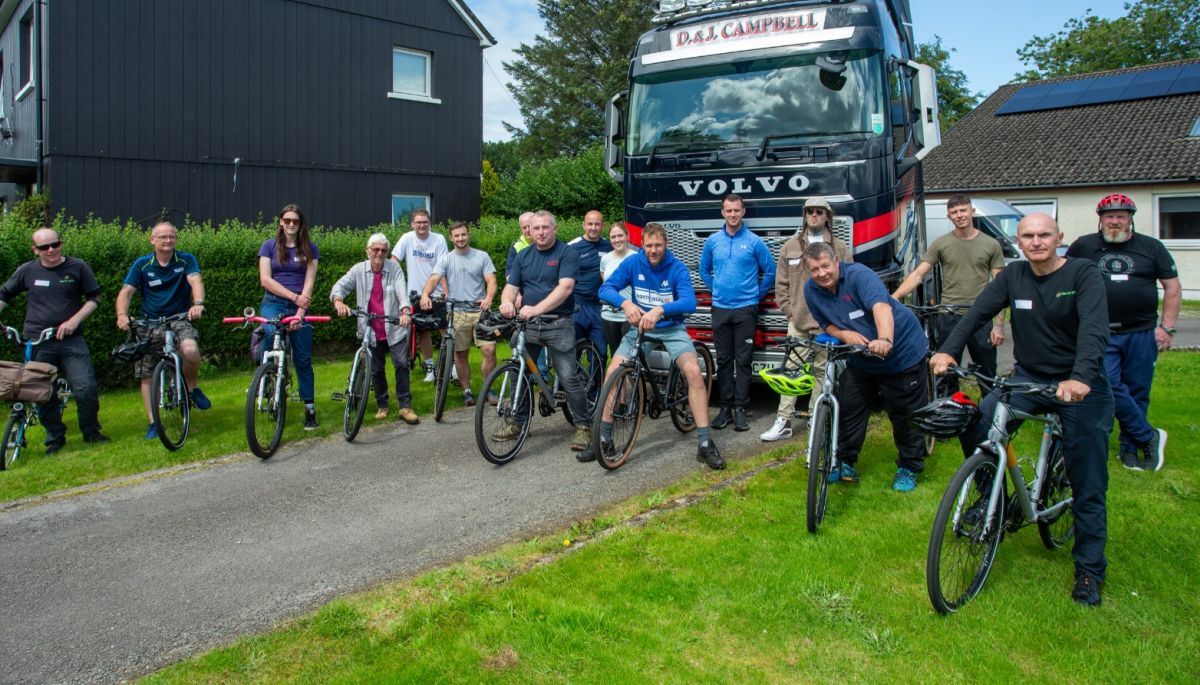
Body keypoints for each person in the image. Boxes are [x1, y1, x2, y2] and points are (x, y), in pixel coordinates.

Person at [932, 213, 1113, 606]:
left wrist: (1081, 377)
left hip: (1081, 386)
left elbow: (1095, 329)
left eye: (1044, 234)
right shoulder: (1013, 276)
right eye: (1028, 236)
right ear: (1018, 241)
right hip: (1029, 379)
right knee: (977, 421)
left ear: (1059, 237)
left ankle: (1088, 571)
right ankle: (990, 498)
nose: (1036, 242)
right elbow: (977, 313)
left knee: (1089, 481)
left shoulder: (1083, 275)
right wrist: (948, 350)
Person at [591, 223, 723, 468]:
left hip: (671, 329)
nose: (653, 250)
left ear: (666, 245)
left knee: (694, 372)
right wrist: (626, 304)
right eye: (649, 245)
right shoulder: (632, 263)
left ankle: (705, 443)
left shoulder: (677, 268)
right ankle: (604, 437)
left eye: (658, 245)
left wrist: (661, 310)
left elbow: (689, 303)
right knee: (613, 372)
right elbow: (605, 288)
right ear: (642, 244)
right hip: (640, 329)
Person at [803, 242, 930, 492]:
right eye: (815, 269)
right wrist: (844, 334)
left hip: (901, 353)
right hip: (861, 357)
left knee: (904, 412)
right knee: (850, 408)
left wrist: (884, 340)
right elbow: (824, 323)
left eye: (825, 266)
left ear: (836, 262)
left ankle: (909, 466)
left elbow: (881, 307)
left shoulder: (860, 276)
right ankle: (846, 462)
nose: (822, 273)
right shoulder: (811, 290)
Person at [1065, 194, 1179, 471]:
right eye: (1109, 216)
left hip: (1141, 332)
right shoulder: (1084, 246)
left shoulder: (1152, 247)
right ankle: (1147, 435)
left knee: (1138, 390)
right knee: (1109, 386)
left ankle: (1130, 448)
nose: (1115, 221)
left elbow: (1172, 287)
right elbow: (1065, 278)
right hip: (1099, 332)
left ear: (1130, 219)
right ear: (1100, 219)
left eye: (1121, 216)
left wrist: (1166, 327)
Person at [0, 228, 109, 452]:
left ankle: (91, 431)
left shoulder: (77, 267)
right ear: (35, 250)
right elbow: (4, 294)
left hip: (71, 340)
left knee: (85, 388)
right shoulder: (27, 271)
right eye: (44, 247)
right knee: (41, 391)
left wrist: (74, 321)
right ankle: (55, 437)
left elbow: (94, 297)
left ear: (61, 243)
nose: (51, 250)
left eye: (55, 244)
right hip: (38, 340)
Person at [761, 197, 852, 442]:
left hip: (829, 323)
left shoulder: (840, 248)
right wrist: (791, 313)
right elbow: (781, 285)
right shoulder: (790, 247)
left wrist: (840, 317)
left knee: (823, 373)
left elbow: (849, 284)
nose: (814, 215)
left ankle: (815, 418)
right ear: (804, 215)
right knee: (790, 371)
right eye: (810, 211)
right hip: (799, 322)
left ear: (827, 217)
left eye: (819, 211)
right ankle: (784, 421)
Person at [498, 210, 591, 452]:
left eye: (544, 228)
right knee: (519, 371)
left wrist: (536, 308)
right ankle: (518, 423)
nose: (539, 232)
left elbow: (566, 288)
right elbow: (511, 286)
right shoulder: (523, 256)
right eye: (535, 228)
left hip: (558, 322)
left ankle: (583, 426)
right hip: (529, 324)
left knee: (568, 376)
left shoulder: (566, 253)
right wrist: (506, 301)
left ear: (554, 229)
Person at [892, 194, 1005, 388]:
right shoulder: (941, 243)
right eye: (954, 212)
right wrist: (893, 298)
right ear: (949, 216)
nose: (959, 215)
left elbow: (1001, 286)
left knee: (986, 374)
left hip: (981, 316)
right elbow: (918, 274)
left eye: (963, 210)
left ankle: (990, 415)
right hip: (949, 315)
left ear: (972, 212)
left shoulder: (991, 244)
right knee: (945, 373)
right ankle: (948, 413)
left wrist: (999, 326)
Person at [116, 221, 210, 440]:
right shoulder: (142, 264)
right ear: (152, 240)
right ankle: (153, 422)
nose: (168, 241)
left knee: (190, 350)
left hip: (179, 319)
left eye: (172, 237)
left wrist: (198, 303)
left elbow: (195, 280)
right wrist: (122, 315)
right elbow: (127, 292)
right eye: (163, 237)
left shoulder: (186, 259)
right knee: (147, 372)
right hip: (149, 323)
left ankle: (191, 389)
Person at [699, 193, 775, 432]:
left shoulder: (754, 242)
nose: (733, 214)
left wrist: (754, 296)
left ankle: (740, 408)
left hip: (746, 309)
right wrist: (717, 290)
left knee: (743, 360)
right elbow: (704, 271)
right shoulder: (712, 241)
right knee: (723, 360)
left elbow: (770, 272)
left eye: (736, 210)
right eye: (728, 210)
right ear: (722, 213)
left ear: (743, 212)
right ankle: (725, 408)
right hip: (720, 308)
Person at [329, 233, 418, 424]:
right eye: (376, 250)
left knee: (402, 365)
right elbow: (340, 286)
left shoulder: (394, 268)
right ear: (368, 251)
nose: (379, 253)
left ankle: (405, 407)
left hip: (393, 326)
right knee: (376, 370)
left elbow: (402, 291)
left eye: (383, 250)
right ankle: (383, 405)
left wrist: (405, 311)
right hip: (370, 329)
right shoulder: (358, 270)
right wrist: (338, 301)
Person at [420, 221, 498, 406]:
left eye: (463, 235)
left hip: (480, 311)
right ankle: (467, 390)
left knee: (489, 350)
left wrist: (489, 297)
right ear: (451, 238)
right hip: (457, 313)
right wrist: (425, 294)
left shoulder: (482, 256)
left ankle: (489, 388)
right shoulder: (446, 259)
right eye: (457, 236)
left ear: (468, 235)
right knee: (460, 354)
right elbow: (434, 278)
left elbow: (491, 279)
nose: (460, 238)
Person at [258, 204, 320, 429]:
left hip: (300, 306)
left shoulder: (310, 249)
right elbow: (265, 280)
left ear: (300, 224)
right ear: (281, 222)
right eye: (287, 220)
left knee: (303, 359)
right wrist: (294, 297)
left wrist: (301, 311)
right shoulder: (268, 247)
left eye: (296, 221)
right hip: (274, 303)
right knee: (271, 332)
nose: (291, 224)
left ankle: (310, 409)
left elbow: (310, 281)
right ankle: (267, 381)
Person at [390, 208, 448, 382]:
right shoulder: (407, 238)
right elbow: (394, 260)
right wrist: (395, 282)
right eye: (418, 222)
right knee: (423, 332)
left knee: (445, 329)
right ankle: (430, 368)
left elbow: (443, 266)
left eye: (425, 222)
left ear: (429, 223)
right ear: (412, 224)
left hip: (436, 293)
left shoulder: (439, 239)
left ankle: (451, 365)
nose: (422, 225)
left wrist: (446, 290)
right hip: (414, 294)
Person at [567, 210, 612, 355]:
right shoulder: (572, 247)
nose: (593, 227)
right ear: (583, 225)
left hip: (600, 307)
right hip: (577, 307)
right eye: (590, 224)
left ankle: (596, 379)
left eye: (597, 224)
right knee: (573, 353)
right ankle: (576, 378)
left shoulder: (609, 246)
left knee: (600, 353)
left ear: (602, 226)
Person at [599, 222, 638, 360]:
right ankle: (618, 382)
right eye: (613, 237)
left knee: (629, 357)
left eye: (620, 235)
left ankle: (632, 382)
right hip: (609, 315)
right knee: (615, 354)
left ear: (627, 236)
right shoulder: (605, 259)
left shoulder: (637, 257)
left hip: (630, 315)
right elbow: (606, 285)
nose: (617, 240)